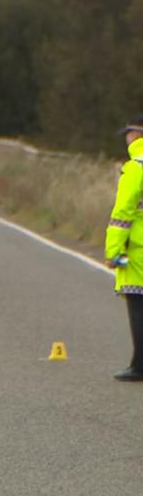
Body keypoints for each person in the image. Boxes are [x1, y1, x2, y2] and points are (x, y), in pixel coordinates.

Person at [106, 115, 143, 381]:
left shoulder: (135, 168)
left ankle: (139, 365)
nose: (126, 139)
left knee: (138, 306)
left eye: (128, 134)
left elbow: (122, 214)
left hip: (138, 250)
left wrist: (113, 251)